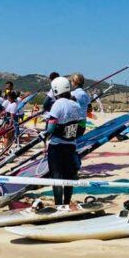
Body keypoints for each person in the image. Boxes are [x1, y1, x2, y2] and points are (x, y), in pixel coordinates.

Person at [46, 76, 86, 206]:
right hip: (71, 147)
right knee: (69, 177)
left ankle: (58, 204)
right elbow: (82, 128)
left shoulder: (58, 104)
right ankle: (67, 203)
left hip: (56, 147)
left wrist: (49, 133)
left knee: (56, 177)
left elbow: (51, 128)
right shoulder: (76, 105)